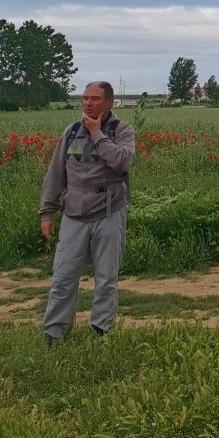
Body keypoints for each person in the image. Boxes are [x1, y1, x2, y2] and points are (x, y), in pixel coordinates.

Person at [39, 81, 136, 344]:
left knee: (106, 278)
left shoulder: (122, 131)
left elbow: (122, 161)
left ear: (109, 103)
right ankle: (54, 333)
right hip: (73, 216)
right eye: (85, 98)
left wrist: (97, 134)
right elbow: (55, 174)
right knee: (62, 277)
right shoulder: (71, 132)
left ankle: (101, 330)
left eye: (94, 99)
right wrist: (47, 213)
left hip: (108, 213)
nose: (88, 103)